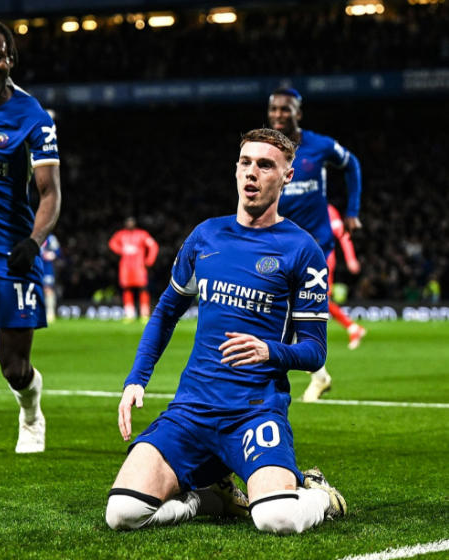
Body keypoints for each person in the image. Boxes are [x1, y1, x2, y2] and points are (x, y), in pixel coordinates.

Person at [106, 128, 346, 534]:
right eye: (245, 162)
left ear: (287, 177)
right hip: (192, 410)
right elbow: (166, 312)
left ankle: (321, 496)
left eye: (265, 165)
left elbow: (314, 351)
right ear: (236, 169)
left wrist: (270, 351)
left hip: (254, 411)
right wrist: (136, 379)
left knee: (277, 518)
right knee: (122, 513)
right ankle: (209, 499)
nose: (252, 172)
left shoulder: (302, 250)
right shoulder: (206, 236)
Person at [268, 87, 363, 402]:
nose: (279, 114)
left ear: (298, 113)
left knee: (297, 312)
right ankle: (318, 376)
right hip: (281, 242)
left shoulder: (320, 146)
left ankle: (295, 378)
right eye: (274, 109)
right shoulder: (266, 149)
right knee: (279, 313)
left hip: (317, 245)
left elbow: (352, 164)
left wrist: (352, 211)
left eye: (285, 109)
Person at [0, 22, 61, 453]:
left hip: (10, 250)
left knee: (14, 368)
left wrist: (34, 242)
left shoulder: (31, 116)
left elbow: (50, 193)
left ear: (10, 61)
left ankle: (31, 413)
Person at [326, 204, 366, 350]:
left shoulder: (327, 210)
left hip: (323, 260)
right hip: (303, 258)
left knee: (320, 298)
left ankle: (352, 327)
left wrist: (350, 258)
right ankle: (352, 328)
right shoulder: (296, 203)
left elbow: (343, 235)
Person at [108, 217, 159, 321]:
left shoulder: (142, 234)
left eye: (131, 222)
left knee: (143, 289)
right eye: (128, 222)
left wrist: (149, 261)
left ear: (135, 224)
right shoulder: (121, 234)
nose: (130, 224)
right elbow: (112, 243)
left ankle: (144, 314)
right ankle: (129, 315)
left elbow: (154, 246)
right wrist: (121, 250)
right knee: (127, 289)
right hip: (125, 267)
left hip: (139, 267)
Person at [40, 233, 61, 323]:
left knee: (48, 289)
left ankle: (50, 313)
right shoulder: (31, 234)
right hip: (35, 266)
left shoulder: (50, 237)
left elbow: (58, 251)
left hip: (47, 268)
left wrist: (52, 254)